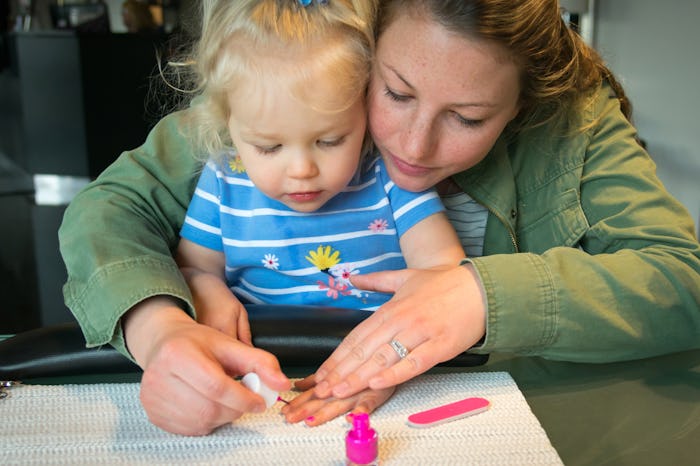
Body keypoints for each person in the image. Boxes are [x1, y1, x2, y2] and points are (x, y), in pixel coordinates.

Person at [59, 0, 700, 436]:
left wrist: (477, 295)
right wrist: (159, 325)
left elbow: (680, 282)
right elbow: (108, 209)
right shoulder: (297, 84)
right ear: (361, 43)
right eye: (394, 92)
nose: (413, 148)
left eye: (469, 118)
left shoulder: (569, 120)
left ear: (524, 103)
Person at [175, 0, 462, 391]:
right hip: (260, 371)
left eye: (329, 140)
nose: (301, 170)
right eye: (268, 147)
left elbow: (444, 277)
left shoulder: (388, 175)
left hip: (384, 370)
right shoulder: (224, 180)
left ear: (366, 108)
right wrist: (207, 289)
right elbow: (192, 268)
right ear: (228, 121)